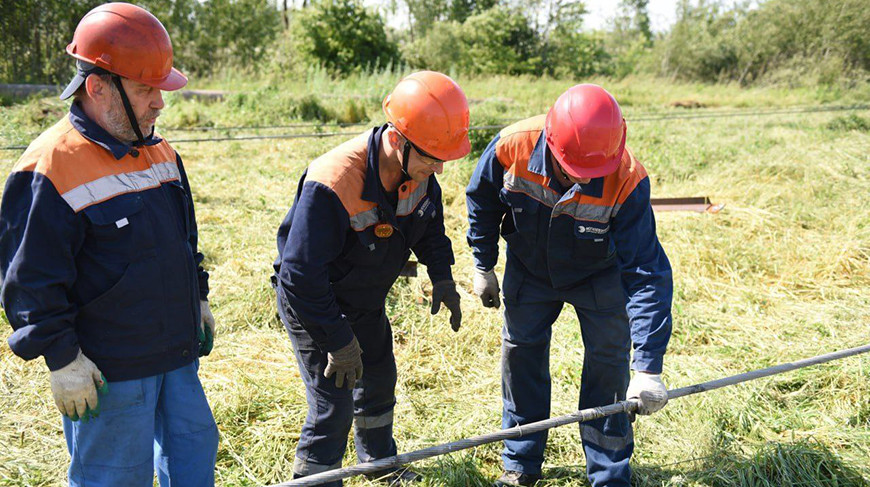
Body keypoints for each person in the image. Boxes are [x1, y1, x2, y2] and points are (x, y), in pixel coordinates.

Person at [0, 3, 218, 486]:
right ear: (97, 86)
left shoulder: (159, 149)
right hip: (109, 370)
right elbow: (29, 281)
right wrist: (62, 359)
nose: (159, 103)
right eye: (145, 90)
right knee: (115, 477)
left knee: (195, 455)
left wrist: (197, 296)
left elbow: (184, 237)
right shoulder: (50, 167)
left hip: (177, 354)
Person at [465, 84, 673, 487]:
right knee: (521, 357)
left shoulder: (627, 177)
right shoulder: (512, 146)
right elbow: (482, 200)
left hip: (599, 274)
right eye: (571, 169)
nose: (582, 179)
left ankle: (609, 475)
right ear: (551, 140)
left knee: (609, 367)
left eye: (592, 172)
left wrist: (648, 366)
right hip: (529, 268)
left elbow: (647, 272)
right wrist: (483, 264)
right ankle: (521, 464)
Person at [273, 71, 467, 485]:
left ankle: (379, 467)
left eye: (444, 158)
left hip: (364, 297)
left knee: (379, 379)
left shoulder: (420, 173)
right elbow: (299, 275)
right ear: (398, 140)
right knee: (334, 403)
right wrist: (338, 342)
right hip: (315, 303)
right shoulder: (333, 182)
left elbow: (429, 227)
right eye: (432, 157)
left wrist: (443, 276)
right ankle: (316, 479)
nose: (439, 169)